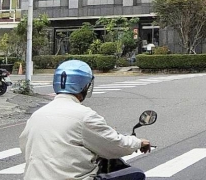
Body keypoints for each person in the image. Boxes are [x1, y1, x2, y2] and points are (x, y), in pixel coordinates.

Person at [19, 60, 151, 180]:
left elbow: (25, 147)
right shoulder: (84, 116)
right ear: (84, 86)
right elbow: (115, 144)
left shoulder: (37, 115)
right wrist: (138, 143)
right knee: (136, 174)